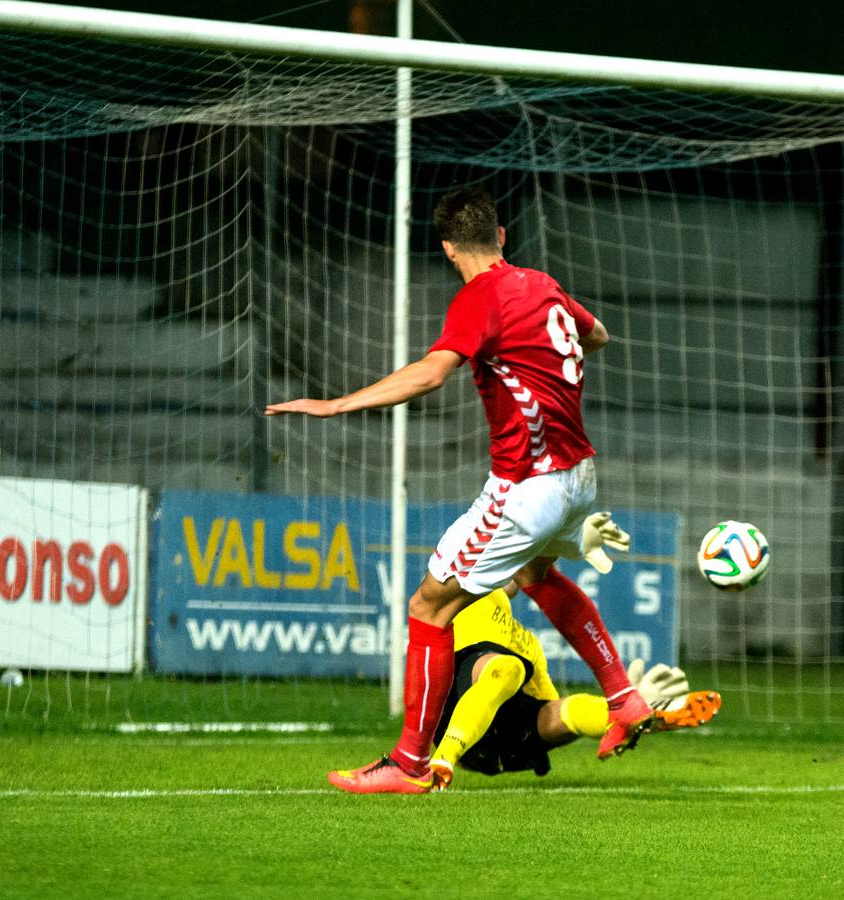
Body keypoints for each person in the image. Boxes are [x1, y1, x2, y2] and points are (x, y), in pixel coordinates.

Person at [266, 185, 652, 795]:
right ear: (500, 237)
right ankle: (623, 698)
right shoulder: (541, 283)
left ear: (448, 249)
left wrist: (340, 403)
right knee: (536, 577)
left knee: (430, 605)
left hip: (527, 484)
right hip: (580, 474)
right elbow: (597, 334)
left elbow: (430, 372)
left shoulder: (480, 298)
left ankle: (410, 763)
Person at [424, 587, 721, 783]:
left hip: (498, 748)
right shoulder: (466, 593)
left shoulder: (526, 643)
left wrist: (611, 708)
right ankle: (443, 759)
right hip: (451, 706)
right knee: (506, 667)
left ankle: (640, 715)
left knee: (571, 709)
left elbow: (549, 714)